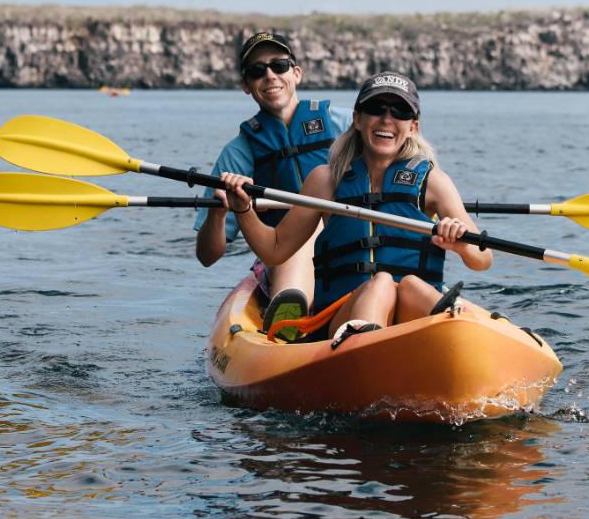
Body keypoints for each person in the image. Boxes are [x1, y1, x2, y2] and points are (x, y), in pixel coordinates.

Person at [217, 71, 492, 342]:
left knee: (409, 285)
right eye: (376, 108)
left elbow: (483, 258)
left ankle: (452, 332)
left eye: (400, 112)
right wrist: (243, 209)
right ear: (357, 119)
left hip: (411, 317)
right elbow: (274, 249)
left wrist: (461, 245)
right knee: (382, 283)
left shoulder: (434, 182)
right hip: (338, 316)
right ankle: (368, 340)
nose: (387, 119)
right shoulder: (325, 180)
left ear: (413, 127)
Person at [194, 31, 353, 335]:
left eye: (278, 66)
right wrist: (218, 212)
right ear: (246, 85)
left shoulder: (347, 125)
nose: (269, 76)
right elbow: (207, 256)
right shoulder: (239, 153)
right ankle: (289, 319)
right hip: (283, 256)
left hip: (350, 250)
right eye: (257, 71)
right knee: (305, 225)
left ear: (296, 73)